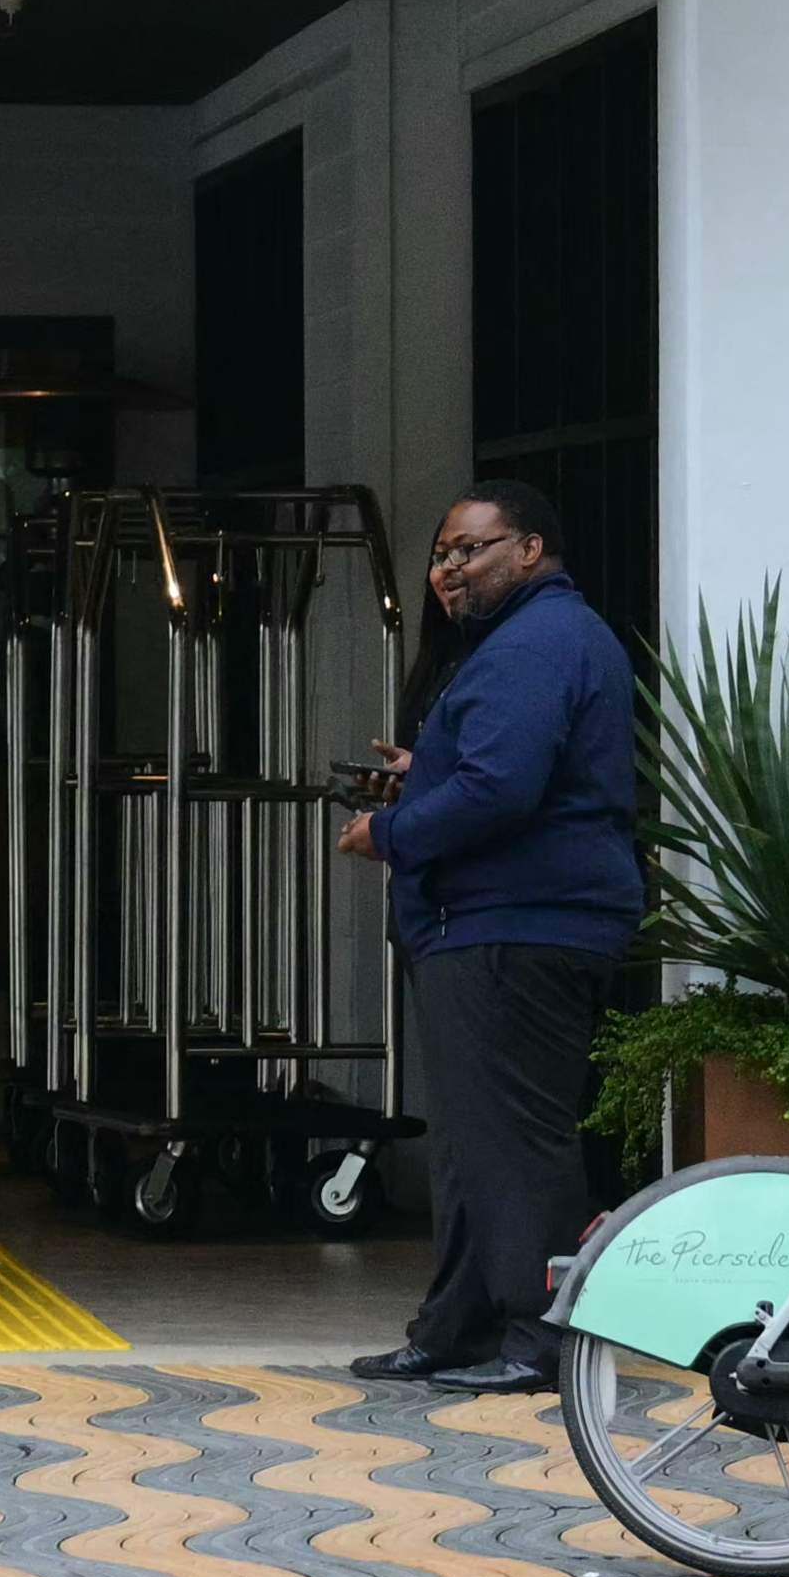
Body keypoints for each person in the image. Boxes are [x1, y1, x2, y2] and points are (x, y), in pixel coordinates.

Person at [336, 481, 644, 1396]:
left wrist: (390, 832)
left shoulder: (535, 641)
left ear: (531, 548)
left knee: (517, 1141)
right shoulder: (531, 642)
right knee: (476, 1141)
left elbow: (502, 789)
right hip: (500, 924)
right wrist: (426, 769)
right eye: (441, 555)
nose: (449, 570)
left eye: (471, 549)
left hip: (516, 925)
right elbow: (504, 770)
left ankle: (542, 1339)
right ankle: (458, 1327)